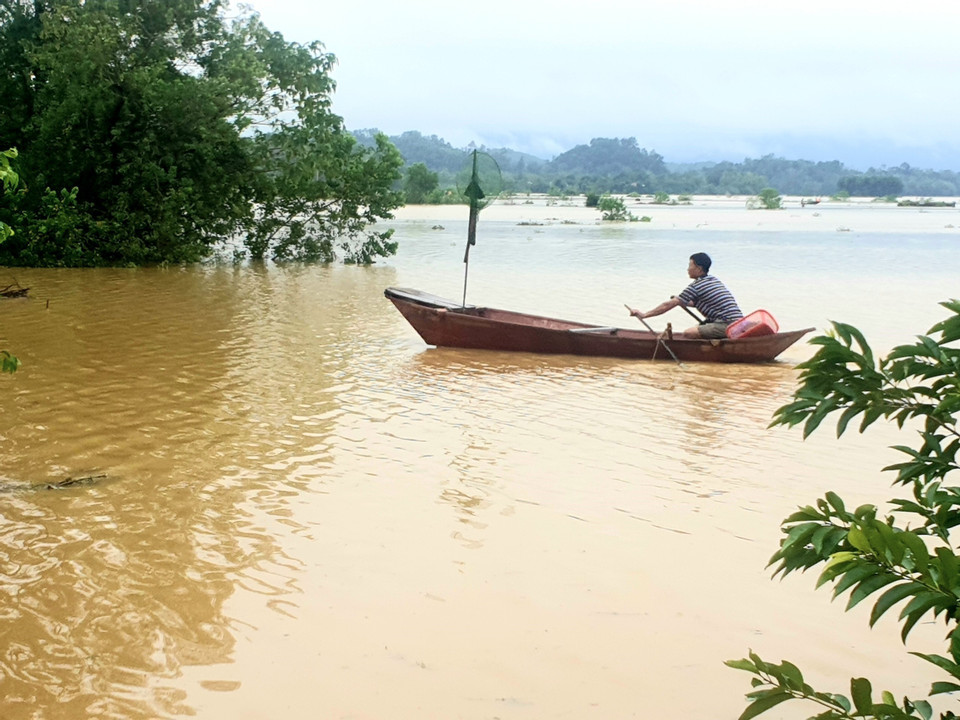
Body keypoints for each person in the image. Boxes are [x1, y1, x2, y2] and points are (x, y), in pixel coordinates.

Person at [627, 252, 743, 339]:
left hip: (728, 324)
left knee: (689, 333)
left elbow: (667, 305)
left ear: (699, 268)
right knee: (697, 328)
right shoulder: (712, 280)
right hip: (736, 322)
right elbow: (698, 302)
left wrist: (644, 315)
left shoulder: (697, 285)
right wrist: (682, 302)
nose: (688, 269)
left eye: (690, 265)